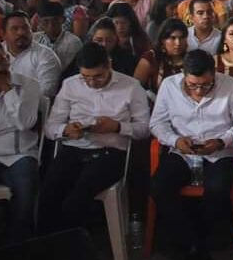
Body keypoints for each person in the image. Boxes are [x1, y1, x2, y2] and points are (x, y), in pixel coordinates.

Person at [149, 50, 233, 259]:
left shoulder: (230, 85)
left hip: (219, 152)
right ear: (184, 75)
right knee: (159, 186)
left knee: (217, 188)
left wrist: (221, 141)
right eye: (192, 85)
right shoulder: (169, 85)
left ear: (214, 74)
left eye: (206, 85)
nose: (199, 90)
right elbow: (157, 123)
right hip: (182, 151)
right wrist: (175, 140)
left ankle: (202, 244)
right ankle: (189, 241)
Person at [39, 42, 150, 234]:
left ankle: (70, 245)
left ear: (109, 65)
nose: (91, 82)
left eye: (98, 76)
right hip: (75, 147)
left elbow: (145, 129)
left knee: (78, 196)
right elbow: (50, 127)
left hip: (112, 153)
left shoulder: (131, 87)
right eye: (86, 77)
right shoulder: (70, 84)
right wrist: (66, 130)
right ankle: (45, 244)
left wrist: (117, 127)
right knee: (49, 192)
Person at [0, 39, 40, 244]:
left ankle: (17, 246)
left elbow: (24, 123)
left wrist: (8, 90)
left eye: (2, 62)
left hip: (19, 154)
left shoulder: (29, 85)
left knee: (26, 189)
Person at [0, 10, 61, 99]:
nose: (21, 32)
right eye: (15, 29)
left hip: (30, 109)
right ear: (3, 34)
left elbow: (46, 92)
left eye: (25, 28)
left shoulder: (46, 56)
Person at [133, 18, 189, 96]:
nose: (178, 43)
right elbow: (135, 88)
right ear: (163, 40)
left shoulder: (190, 59)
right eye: (173, 38)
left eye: (182, 38)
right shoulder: (150, 58)